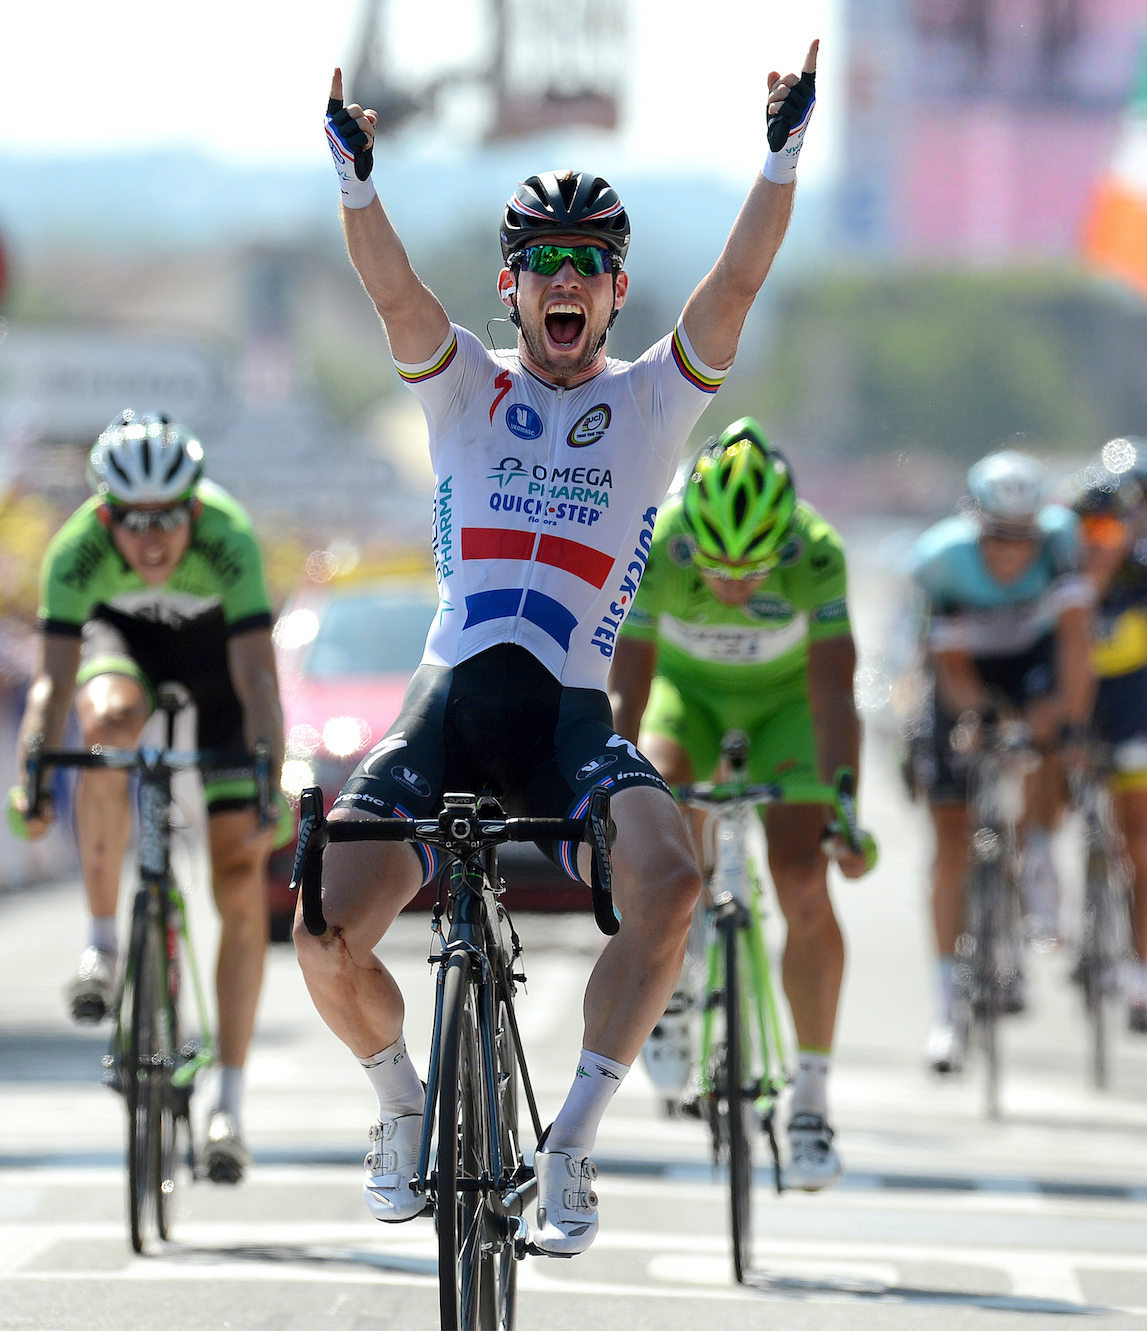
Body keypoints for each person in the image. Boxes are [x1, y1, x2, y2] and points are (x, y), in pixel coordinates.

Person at [305, 39, 821, 1256]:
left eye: (589, 264)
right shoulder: (462, 389)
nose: (566, 279)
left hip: (569, 714)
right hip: (446, 706)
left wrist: (781, 157)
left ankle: (573, 1142)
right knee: (323, 930)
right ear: (511, 285)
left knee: (676, 879)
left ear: (614, 289)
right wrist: (356, 185)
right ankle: (398, 1105)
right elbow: (391, 296)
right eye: (544, 263)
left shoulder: (651, 399)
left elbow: (734, 290)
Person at [11, 410, 286, 1186]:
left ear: (196, 508)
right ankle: (102, 943)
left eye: (171, 517)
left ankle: (229, 1100)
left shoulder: (229, 540)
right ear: (107, 514)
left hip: (216, 669)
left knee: (238, 875)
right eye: (134, 522)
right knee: (104, 727)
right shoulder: (77, 551)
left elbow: (258, 680)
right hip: (120, 650)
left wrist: (266, 774)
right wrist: (31, 767)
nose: (154, 537)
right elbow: (51, 684)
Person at [607, 417, 877, 1192]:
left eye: (753, 571)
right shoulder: (659, 541)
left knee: (800, 878)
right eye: (721, 570)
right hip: (686, 701)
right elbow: (629, 684)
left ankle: (813, 1103)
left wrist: (845, 808)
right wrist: (615, 791)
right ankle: (674, 989)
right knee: (655, 811)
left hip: (784, 710)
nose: (735, 585)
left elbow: (834, 691)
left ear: (782, 543)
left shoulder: (817, 550)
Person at [908, 450, 1094, 1074]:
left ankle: (1037, 852)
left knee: (1054, 735)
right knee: (950, 841)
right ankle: (944, 1007)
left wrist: (1068, 724)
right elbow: (950, 669)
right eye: (998, 538)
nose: (1013, 553)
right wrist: (981, 719)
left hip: (1029, 661)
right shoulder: (941, 559)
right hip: (963, 669)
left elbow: (1074, 644)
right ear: (974, 525)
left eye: (1025, 539)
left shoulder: (1064, 546)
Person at [1072, 464, 1147, 1033]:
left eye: (1113, 531)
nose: (1100, 542)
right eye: (1090, 530)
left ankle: (1141, 978)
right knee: (1031, 799)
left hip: (1131, 718)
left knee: (1138, 846)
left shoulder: (1146, 572)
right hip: (1074, 718)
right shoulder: (1058, 568)